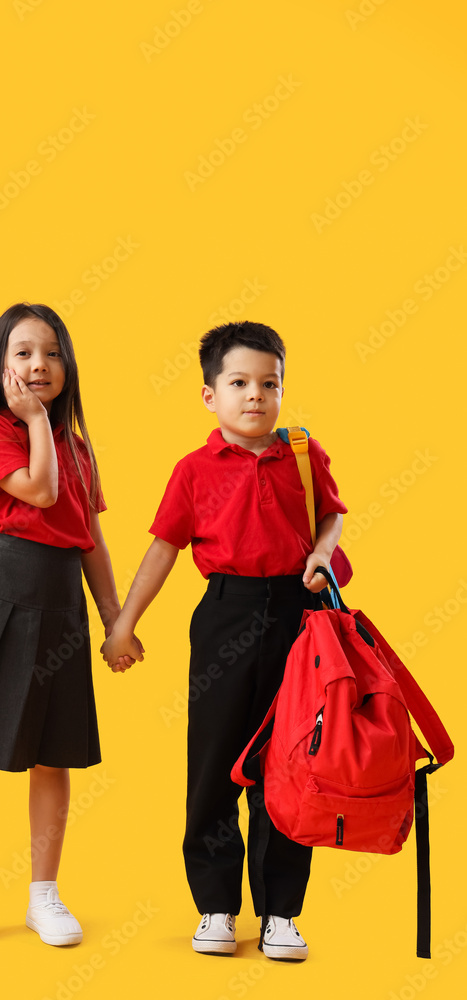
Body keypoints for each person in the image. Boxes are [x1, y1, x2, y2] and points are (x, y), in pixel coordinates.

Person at [101, 321, 347, 960]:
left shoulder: (303, 453)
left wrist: (322, 552)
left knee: (291, 766)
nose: (256, 395)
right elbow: (163, 548)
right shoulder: (194, 469)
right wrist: (126, 623)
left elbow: (334, 513)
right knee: (214, 764)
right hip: (225, 616)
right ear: (210, 395)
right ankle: (215, 905)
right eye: (239, 382)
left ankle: (281, 913)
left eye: (270, 383)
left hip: (300, 617)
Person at [0, 302, 141, 954]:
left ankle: (43, 895)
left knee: (52, 753)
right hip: (1, 592)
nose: (38, 364)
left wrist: (113, 619)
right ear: (0, 365)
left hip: (60, 601)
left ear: (66, 366)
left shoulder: (77, 447)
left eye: (51, 353)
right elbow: (38, 493)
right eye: (22, 353)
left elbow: (89, 537)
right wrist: (36, 420)